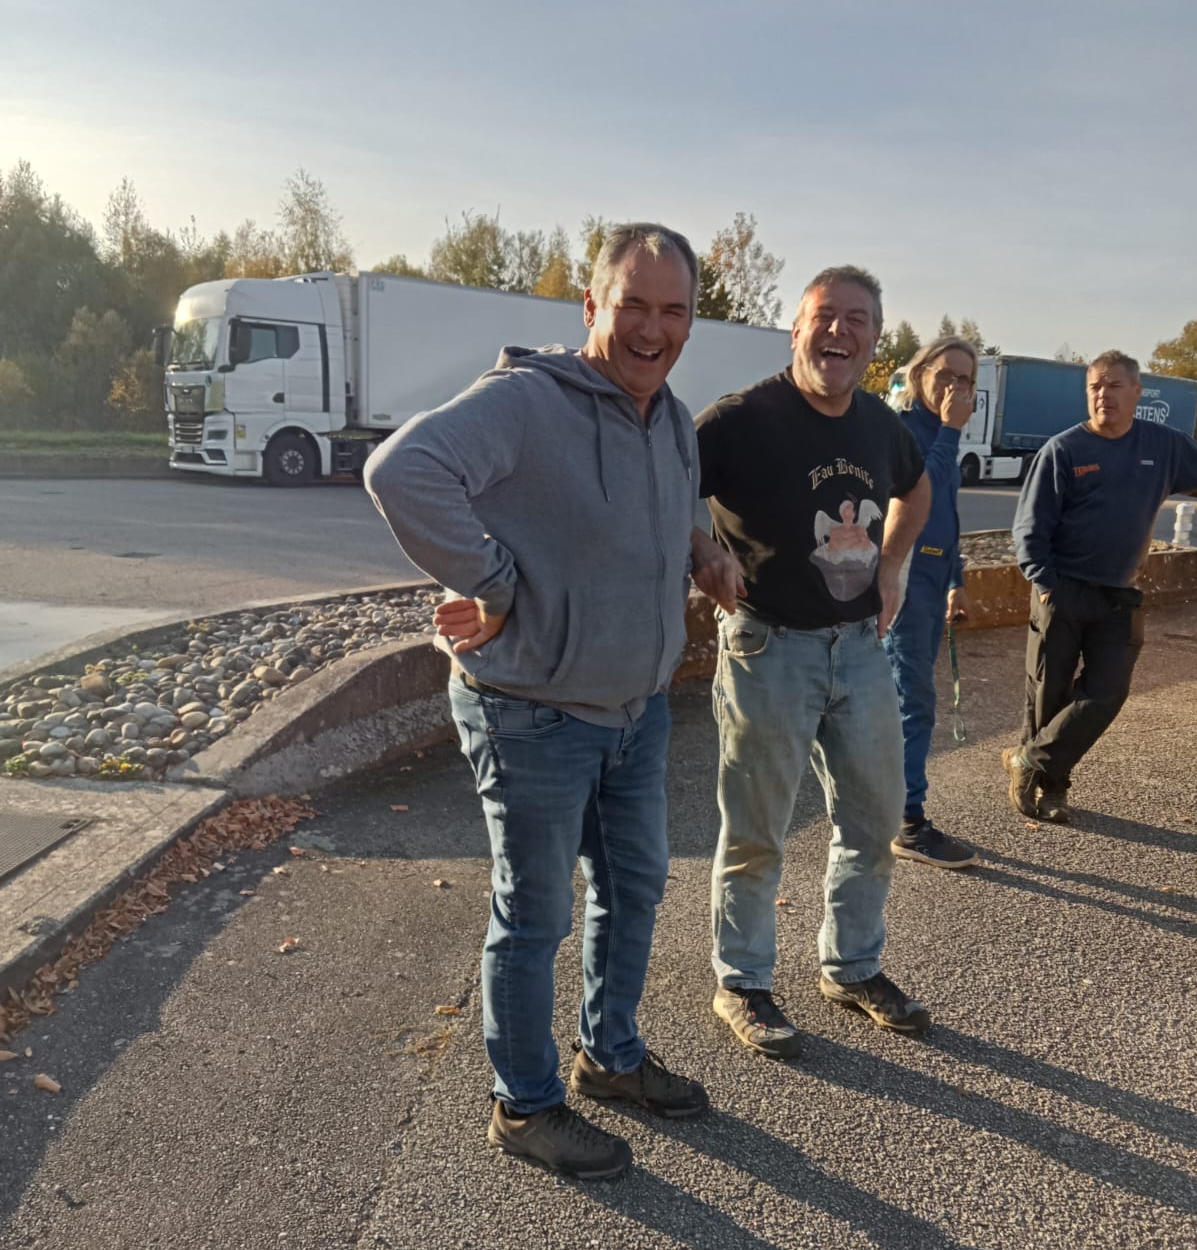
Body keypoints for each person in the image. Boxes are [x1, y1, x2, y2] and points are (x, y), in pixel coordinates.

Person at [364, 224, 709, 1181]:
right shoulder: (527, 401)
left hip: (635, 713)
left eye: (672, 310)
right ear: (591, 307)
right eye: (632, 305)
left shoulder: (672, 416)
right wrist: (494, 576)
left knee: (634, 890)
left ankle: (612, 1057)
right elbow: (400, 471)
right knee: (535, 917)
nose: (652, 328)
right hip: (532, 714)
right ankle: (525, 1106)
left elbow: (683, 497)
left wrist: (706, 548)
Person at [690, 265, 933, 1060]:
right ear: (795, 329)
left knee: (873, 819)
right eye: (825, 316)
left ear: (873, 339)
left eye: (857, 319)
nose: (839, 331)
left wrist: (893, 566)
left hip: (860, 648)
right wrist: (700, 550)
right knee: (759, 829)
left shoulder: (878, 422)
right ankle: (743, 982)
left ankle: (852, 967)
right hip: (769, 647)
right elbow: (659, 484)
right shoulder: (739, 419)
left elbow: (917, 488)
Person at [1004, 349, 1197, 822]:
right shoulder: (1065, 449)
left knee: (1106, 691)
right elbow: (1029, 528)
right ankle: (1053, 791)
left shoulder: (1164, 445)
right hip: (1063, 588)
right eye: (1095, 386)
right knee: (1049, 695)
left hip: (1119, 593)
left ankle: (1027, 759)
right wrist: (1044, 581)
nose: (1103, 395)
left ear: (1136, 392)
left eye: (1114, 385)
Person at [883, 337, 978, 869]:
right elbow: (923, 489)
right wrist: (951, 429)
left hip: (932, 578)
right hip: (904, 579)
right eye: (946, 375)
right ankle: (906, 819)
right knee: (911, 700)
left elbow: (947, 512)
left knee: (905, 697)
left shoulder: (941, 433)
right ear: (920, 373)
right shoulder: (904, 431)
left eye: (965, 381)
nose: (955, 389)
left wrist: (956, 579)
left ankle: (890, 806)